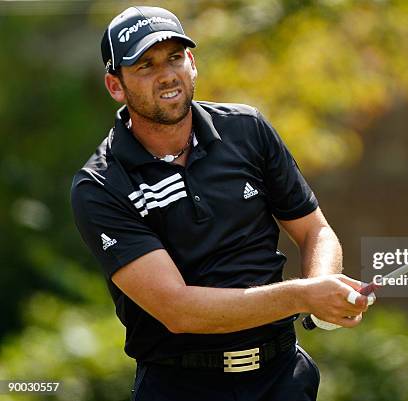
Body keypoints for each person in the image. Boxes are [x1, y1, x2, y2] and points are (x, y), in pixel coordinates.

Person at [71, 6, 372, 401]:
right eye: (145, 65)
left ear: (191, 63)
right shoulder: (100, 185)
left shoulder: (247, 129)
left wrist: (323, 291)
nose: (167, 75)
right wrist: (304, 295)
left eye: (175, 57)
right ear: (115, 85)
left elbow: (314, 230)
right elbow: (178, 310)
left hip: (283, 377)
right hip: (181, 387)